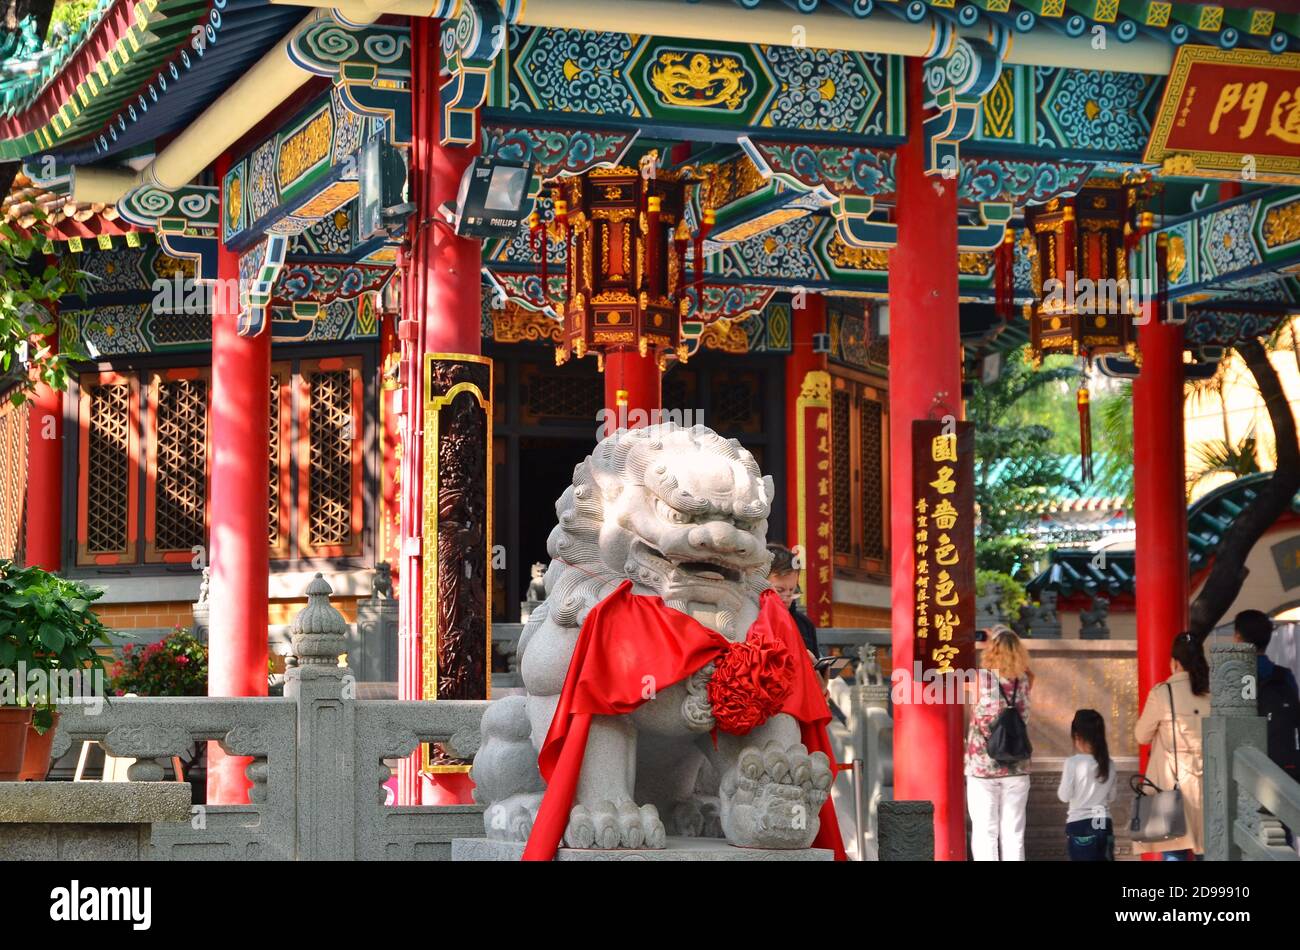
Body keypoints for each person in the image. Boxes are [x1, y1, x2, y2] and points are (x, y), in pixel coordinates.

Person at [1133, 633, 1211, 860]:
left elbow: (1141, 736)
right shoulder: (1212, 695)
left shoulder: (1162, 693)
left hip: (1172, 787)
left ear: (1175, 662)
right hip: (1208, 786)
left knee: (1174, 852)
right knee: (1208, 850)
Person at [964, 626, 1033, 861]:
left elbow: (952, 673)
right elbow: (1025, 671)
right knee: (1013, 835)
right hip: (1017, 767)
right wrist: (1005, 635)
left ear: (991, 649)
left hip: (983, 768)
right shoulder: (1024, 681)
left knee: (985, 832)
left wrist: (983, 642)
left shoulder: (979, 679)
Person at [1234, 610, 1300, 780]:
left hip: (1246, 769)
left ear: (1238, 637)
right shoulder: (1284, 676)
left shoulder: (1233, 677)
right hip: (1283, 767)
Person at [1058, 709, 1117, 861]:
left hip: (1080, 824)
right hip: (1104, 823)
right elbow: (1112, 796)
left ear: (1077, 736)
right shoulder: (1109, 763)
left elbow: (1064, 796)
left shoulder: (1072, 763)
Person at [767, 544, 818, 656]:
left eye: (792, 590)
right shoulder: (749, 619)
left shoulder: (804, 624)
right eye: (780, 590)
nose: (786, 598)